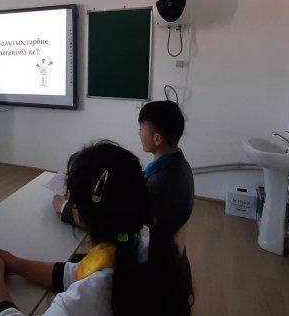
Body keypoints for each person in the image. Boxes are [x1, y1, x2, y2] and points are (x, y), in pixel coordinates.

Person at [0, 141, 193, 316]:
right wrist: (17, 265)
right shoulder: (147, 241)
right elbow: (76, 272)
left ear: (79, 212)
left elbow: (85, 284)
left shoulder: (87, 298)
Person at [53, 100, 194, 238]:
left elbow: (117, 226)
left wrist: (65, 208)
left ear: (157, 139)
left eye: (141, 129)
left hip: (148, 244)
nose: (139, 133)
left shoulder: (158, 184)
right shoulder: (178, 163)